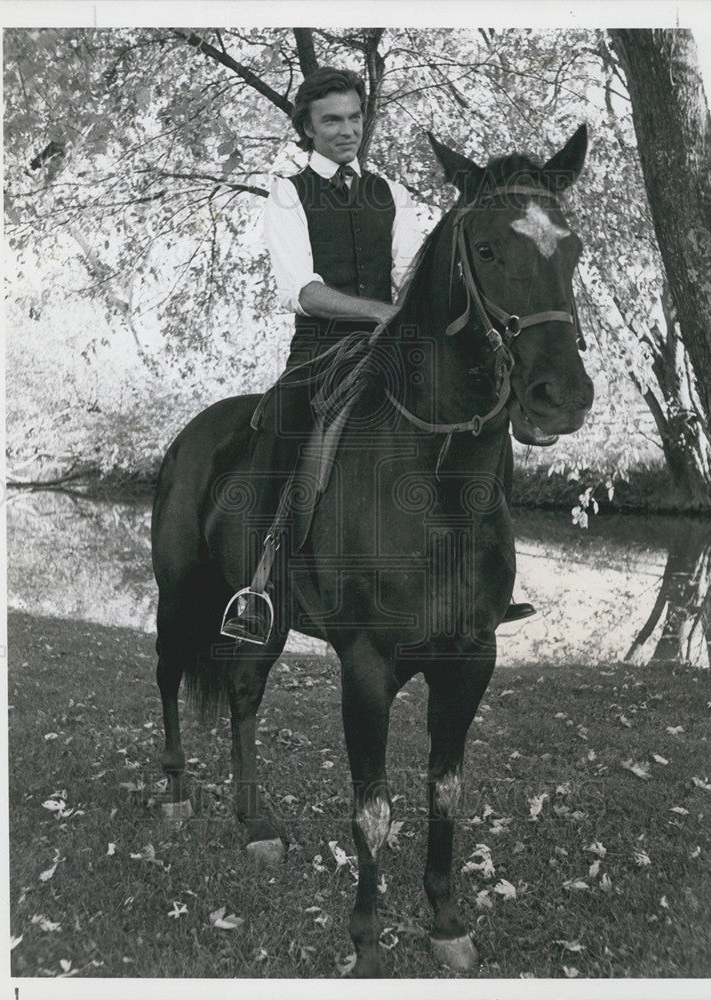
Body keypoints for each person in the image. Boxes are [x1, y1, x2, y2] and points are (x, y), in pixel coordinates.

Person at [221, 66, 533, 643]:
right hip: (320, 351)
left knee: (484, 421)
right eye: (331, 120)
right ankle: (260, 584)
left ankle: (487, 581)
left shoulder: (388, 191)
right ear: (308, 130)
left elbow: (411, 274)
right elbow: (303, 290)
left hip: (394, 350)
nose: (347, 130)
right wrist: (384, 314)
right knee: (283, 428)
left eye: (355, 117)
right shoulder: (289, 192)